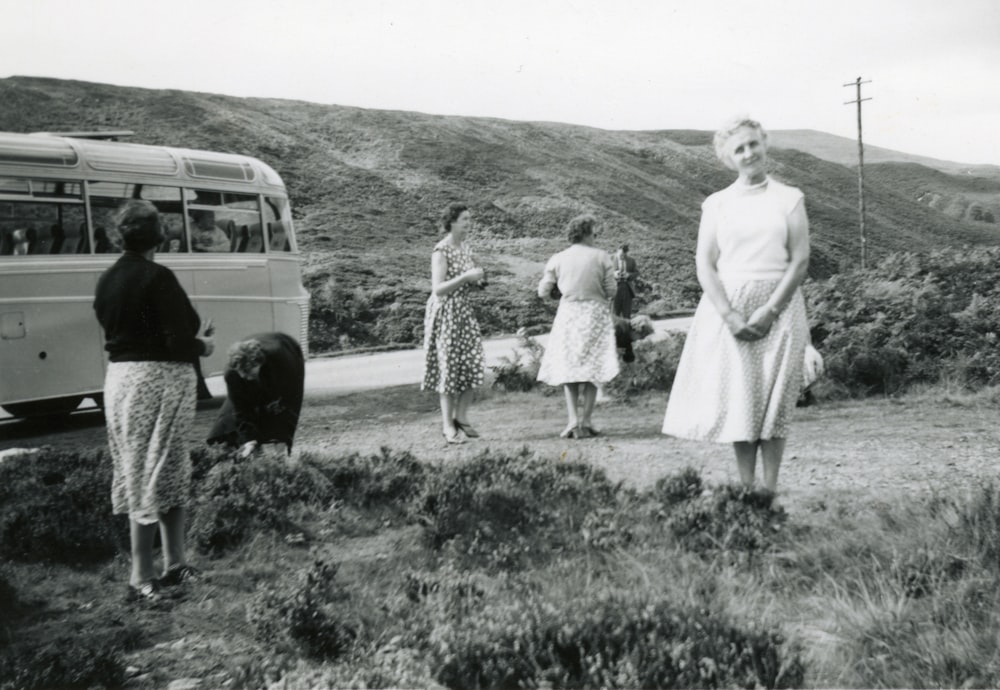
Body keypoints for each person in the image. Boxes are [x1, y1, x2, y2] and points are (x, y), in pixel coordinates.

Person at [662, 116, 810, 496]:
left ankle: (770, 490)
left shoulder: (789, 198)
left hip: (780, 306)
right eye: (738, 149)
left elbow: (799, 260)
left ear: (764, 143)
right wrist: (728, 313)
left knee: (774, 402)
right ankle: (747, 491)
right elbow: (704, 262)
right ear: (728, 158)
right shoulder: (717, 204)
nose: (748, 154)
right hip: (729, 307)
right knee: (742, 400)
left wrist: (770, 310)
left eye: (752, 144)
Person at [93, 199, 215, 603]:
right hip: (160, 381)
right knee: (158, 469)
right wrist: (204, 345)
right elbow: (178, 339)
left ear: (119, 235)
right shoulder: (159, 277)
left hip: (121, 381)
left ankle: (173, 565)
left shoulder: (108, 279)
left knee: (152, 468)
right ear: (159, 235)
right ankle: (142, 575)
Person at [537, 213, 619, 439]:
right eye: (594, 231)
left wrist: (560, 291)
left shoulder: (558, 258)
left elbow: (543, 291)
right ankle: (587, 421)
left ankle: (573, 420)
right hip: (595, 314)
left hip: (569, 314)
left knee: (569, 368)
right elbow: (611, 291)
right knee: (593, 368)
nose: (597, 235)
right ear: (587, 232)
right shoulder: (602, 256)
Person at [421, 203, 486, 444]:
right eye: (465, 219)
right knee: (448, 367)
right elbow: (438, 289)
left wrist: (476, 281)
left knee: (472, 362)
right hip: (446, 312)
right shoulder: (441, 250)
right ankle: (448, 426)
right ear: (452, 222)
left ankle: (461, 416)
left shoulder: (465, 248)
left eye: (470, 219)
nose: (469, 223)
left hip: (463, 312)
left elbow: (463, 280)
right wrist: (465, 278)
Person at [207, 332, 306, 457]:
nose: (244, 376)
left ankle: (279, 453)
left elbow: (289, 403)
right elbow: (240, 409)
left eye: (248, 371)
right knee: (230, 420)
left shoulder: (282, 363)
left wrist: (282, 441)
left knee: (274, 406)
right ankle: (250, 449)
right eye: (241, 372)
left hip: (288, 349)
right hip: (251, 349)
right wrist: (249, 440)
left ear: (259, 363)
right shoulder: (232, 373)